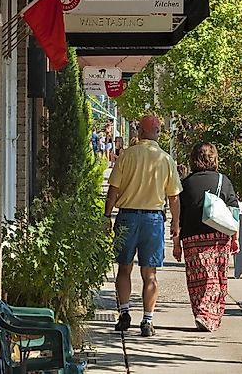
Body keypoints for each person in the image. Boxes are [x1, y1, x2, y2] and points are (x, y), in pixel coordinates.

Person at [104, 115, 183, 337]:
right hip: (153, 220)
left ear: (139, 131)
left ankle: (124, 313)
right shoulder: (166, 159)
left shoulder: (127, 155)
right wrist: (176, 223)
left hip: (127, 217)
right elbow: (174, 197)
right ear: (158, 132)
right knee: (150, 274)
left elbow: (113, 190)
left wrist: (107, 216)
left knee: (124, 267)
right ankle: (147, 320)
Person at [174, 142, 240, 332]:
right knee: (217, 277)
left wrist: (177, 243)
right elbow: (234, 210)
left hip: (192, 238)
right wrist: (236, 237)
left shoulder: (185, 183)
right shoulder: (223, 180)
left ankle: (202, 313)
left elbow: (179, 216)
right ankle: (211, 315)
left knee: (198, 279)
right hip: (218, 235)